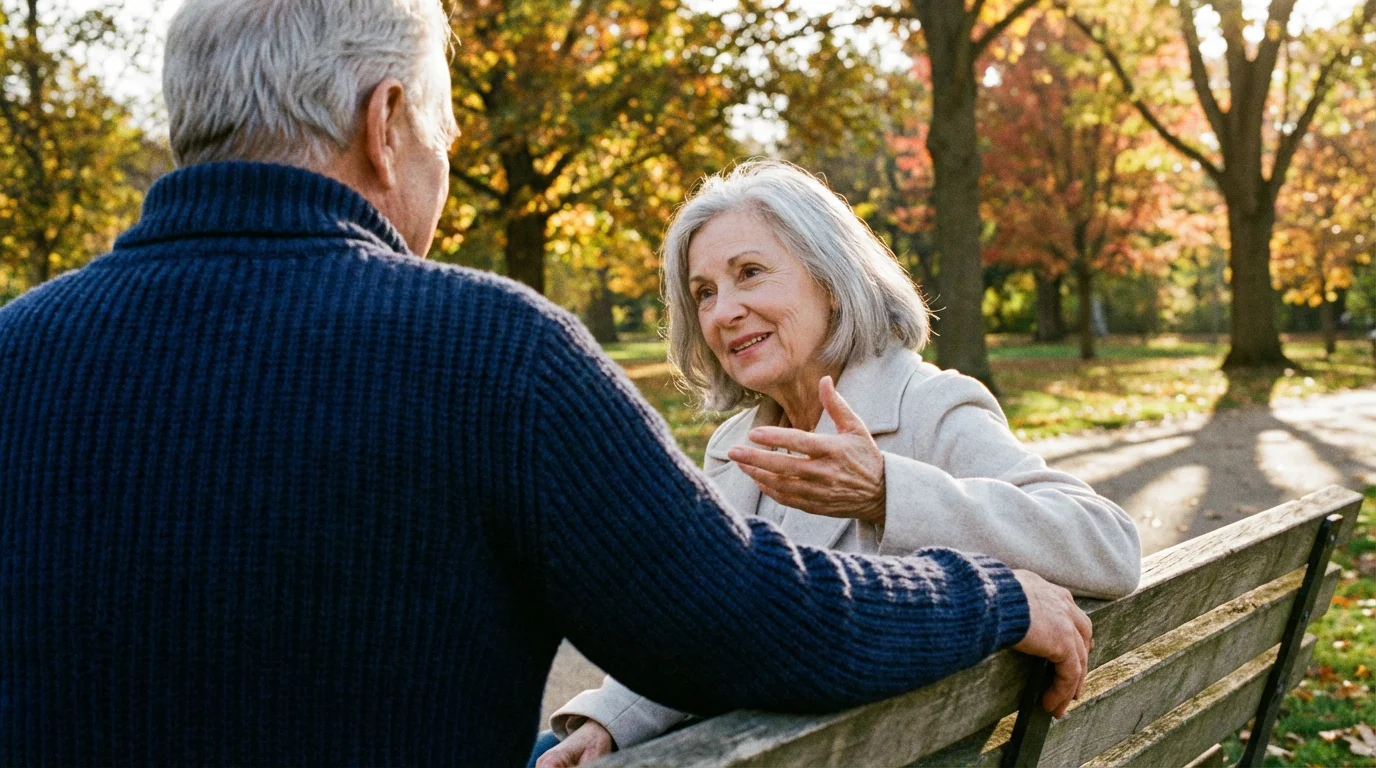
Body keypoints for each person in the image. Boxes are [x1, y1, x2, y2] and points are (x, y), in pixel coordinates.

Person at [0, 2, 1093, 765]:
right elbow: (729, 617)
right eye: (440, 133)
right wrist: (986, 593)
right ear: (386, 126)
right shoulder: (485, 348)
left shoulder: (17, 346)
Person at [540, 161, 1139, 767]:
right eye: (705, 293)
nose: (724, 312)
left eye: (750, 273)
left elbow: (1107, 543)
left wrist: (886, 491)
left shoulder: (924, 405)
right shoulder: (733, 447)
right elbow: (706, 619)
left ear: (831, 280)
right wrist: (610, 724)